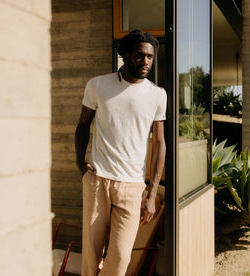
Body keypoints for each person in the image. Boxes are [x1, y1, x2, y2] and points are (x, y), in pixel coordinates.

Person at [75, 30, 167, 276]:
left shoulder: (157, 95)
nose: (145, 61)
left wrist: (150, 192)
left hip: (132, 186)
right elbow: (83, 124)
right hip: (98, 180)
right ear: (125, 55)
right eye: (139, 56)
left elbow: (159, 144)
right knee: (91, 257)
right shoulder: (98, 85)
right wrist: (79, 163)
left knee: (120, 259)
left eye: (150, 57)